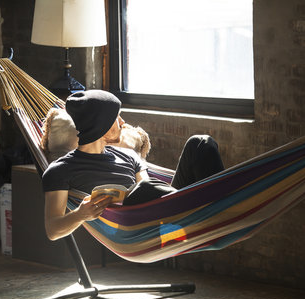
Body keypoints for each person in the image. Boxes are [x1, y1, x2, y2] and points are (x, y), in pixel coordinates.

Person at [42, 90, 224, 241]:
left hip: (166, 214)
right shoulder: (60, 170)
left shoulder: (128, 155)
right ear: (100, 126)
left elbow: (154, 193)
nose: (122, 122)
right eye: (116, 117)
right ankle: (203, 211)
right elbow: (52, 230)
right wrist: (80, 215)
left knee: (200, 142)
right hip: (136, 231)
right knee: (142, 188)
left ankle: (223, 209)